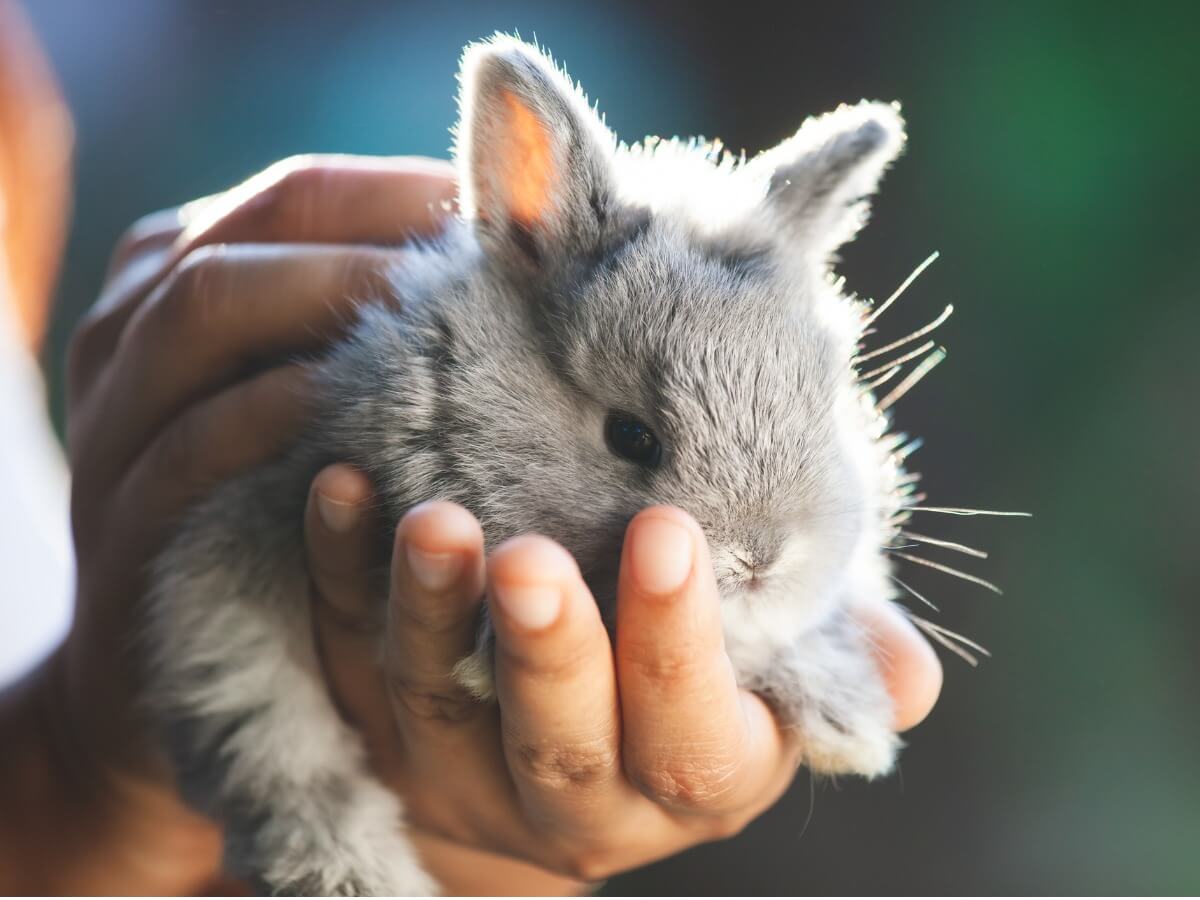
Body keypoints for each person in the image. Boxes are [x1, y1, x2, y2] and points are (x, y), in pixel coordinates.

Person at [0, 11, 942, 896]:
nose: (753, 549)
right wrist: (80, 779)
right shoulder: (406, 392)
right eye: (635, 439)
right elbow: (218, 617)